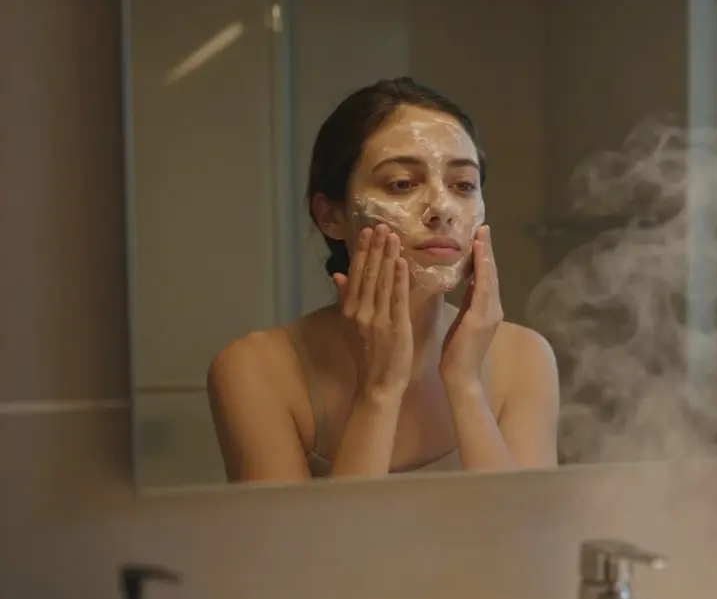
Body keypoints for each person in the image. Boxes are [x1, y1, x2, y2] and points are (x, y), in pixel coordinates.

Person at [208, 77, 560, 482]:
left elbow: (523, 539)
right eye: (402, 184)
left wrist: (465, 386)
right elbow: (307, 547)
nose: (442, 209)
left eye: (463, 185)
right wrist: (378, 391)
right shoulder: (255, 370)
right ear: (331, 216)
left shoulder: (524, 359)